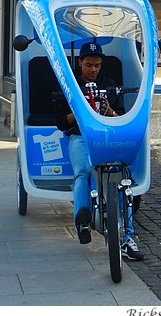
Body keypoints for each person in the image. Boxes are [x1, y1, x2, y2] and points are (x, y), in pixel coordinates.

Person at [54, 42, 144, 260]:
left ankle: (126, 238)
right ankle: (82, 222)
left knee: (122, 178)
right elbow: (60, 122)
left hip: (108, 138)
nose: (93, 70)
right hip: (80, 137)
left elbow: (121, 116)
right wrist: (79, 111)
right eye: (88, 65)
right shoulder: (70, 84)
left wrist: (109, 111)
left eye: (97, 65)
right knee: (81, 172)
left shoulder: (110, 84)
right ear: (80, 63)